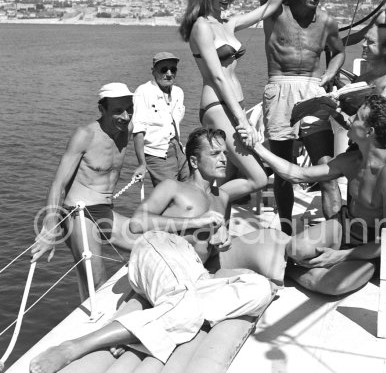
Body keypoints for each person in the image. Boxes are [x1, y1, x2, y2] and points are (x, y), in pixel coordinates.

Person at [29, 127, 274, 373]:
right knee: (187, 312)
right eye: (215, 153)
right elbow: (138, 223)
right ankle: (74, 347)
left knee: (260, 289)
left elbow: (258, 181)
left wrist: (223, 239)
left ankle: (144, 329)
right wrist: (195, 222)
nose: (224, 159)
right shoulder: (173, 187)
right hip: (161, 248)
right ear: (194, 161)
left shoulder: (222, 199)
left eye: (225, 153)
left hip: (191, 272)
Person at [240, 94, 386, 296]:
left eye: (358, 117)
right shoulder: (352, 160)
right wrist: (255, 146)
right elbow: (299, 174)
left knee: (332, 285)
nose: (350, 119)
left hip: (370, 246)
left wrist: (339, 256)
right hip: (345, 226)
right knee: (296, 249)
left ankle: (288, 271)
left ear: (369, 131)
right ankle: (289, 268)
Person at [179, 0, 300, 202]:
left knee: (226, 176)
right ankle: (199, 201)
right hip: (218, 105)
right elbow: (218, 77)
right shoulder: (201, 26)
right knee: (258, 178)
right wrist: (242, 121)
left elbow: (270, 7)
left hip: (234, 106)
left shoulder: (227, 23)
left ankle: (216, 224)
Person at [258, 0, 346, 233]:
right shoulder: (275, 11)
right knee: (284, 169)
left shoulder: (327, 22)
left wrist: (328, 76)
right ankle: (284, 230)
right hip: (280, 88)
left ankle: (334, 227)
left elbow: (337, 53)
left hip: (313, 89)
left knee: (325, 165)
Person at [30, 83, 140, 300]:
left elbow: (146, 130)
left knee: (150, 246)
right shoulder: (85, 135)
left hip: (105, 210)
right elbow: (58, 184)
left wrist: (143, 162)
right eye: (118, 110)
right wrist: (51, 228)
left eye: (130, 109)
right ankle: (94, 325)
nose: (126, 116)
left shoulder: (126, 128)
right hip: (79, 214)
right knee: (95, 279)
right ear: (102, 109)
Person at [133, 52, 189, 187]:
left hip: (177, 149)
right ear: (153, 71)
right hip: (157, 154)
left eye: (173, 69)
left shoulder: (178, 93)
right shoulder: (143, 92)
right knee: (170, 196)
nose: (169, 73)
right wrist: (142, 164)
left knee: (191, 187)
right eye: (163, 69)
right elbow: (138, 130)